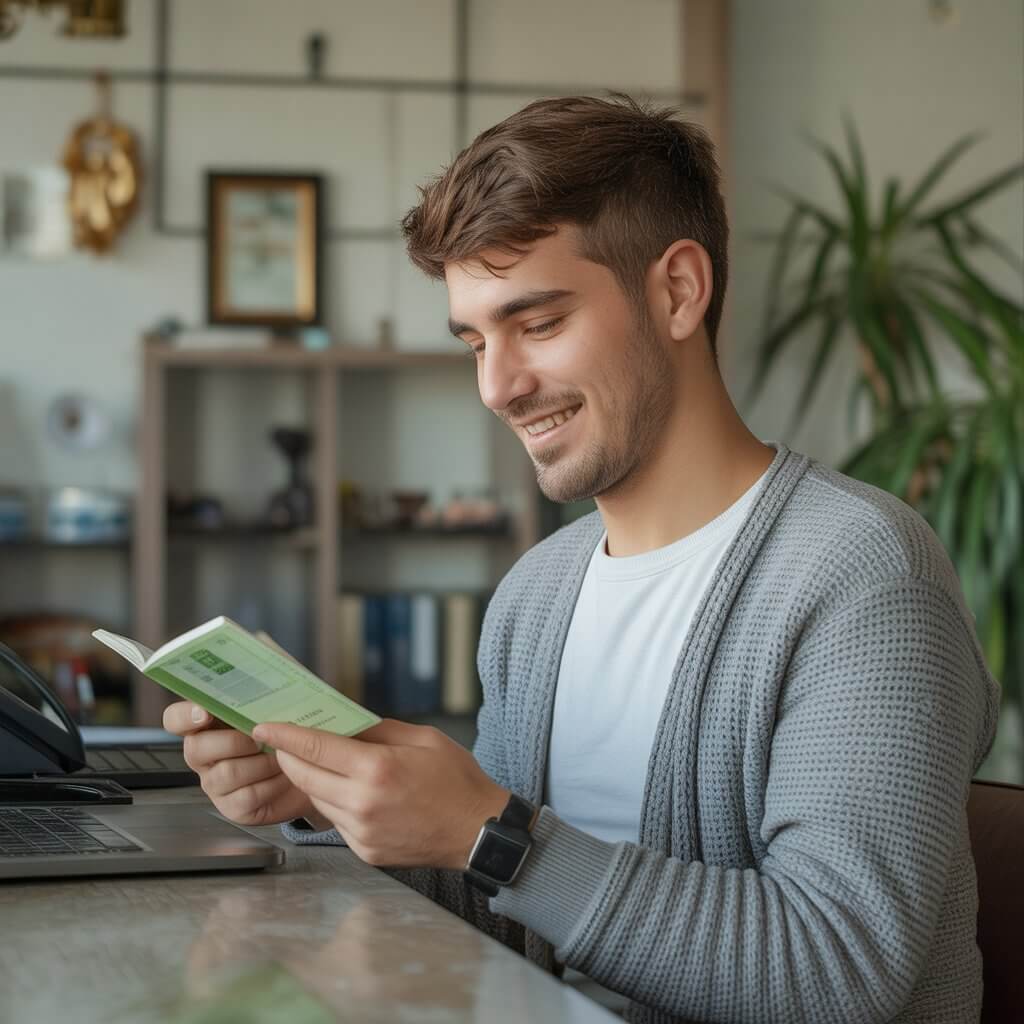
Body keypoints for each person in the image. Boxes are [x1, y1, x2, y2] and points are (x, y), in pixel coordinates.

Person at [163, 94, 999, 1023]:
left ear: (678, 291)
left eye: (539, 324)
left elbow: (834, 968)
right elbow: (509, 911)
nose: (497, 385)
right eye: (476, 341)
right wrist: (331, 800)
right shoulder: (537, 593)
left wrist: (488, 832)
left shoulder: (863, 576)